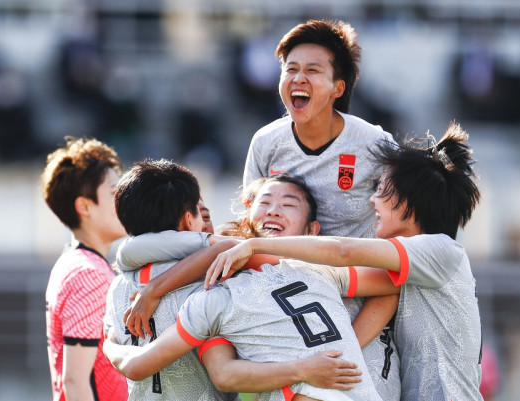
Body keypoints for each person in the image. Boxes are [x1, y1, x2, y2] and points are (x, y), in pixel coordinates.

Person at [208, 122, 483, 401]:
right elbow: (343, 275)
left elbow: (343, 252)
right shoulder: (404, 267)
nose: (373, 201)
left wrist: (251, 244)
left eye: (382, 190)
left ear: (408, 203)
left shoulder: (442, 252)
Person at [115, 173, 399, 400]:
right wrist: (306, 368)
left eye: (289, 205)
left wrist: (346, 347)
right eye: (264, 203)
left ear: (313, 230)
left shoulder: (316, 270)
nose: (274, 211)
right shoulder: (215, 294)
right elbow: (224, 374)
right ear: (245, 217)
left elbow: (392, 285)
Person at [242, 21, 400, 399]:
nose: (299, 78)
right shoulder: (266, 143)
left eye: (313, 70)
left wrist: (347, 345)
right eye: (291, 69)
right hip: (284, 316)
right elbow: (246, 227)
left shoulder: (374, 144)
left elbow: (401, 246)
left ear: (337, 88)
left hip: (361, 311)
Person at [41, 137, 128, 401]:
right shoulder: (87, 273)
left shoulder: (76, 264)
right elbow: (75, 381)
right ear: (85, 206)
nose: (124, 201)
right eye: (115, 193)